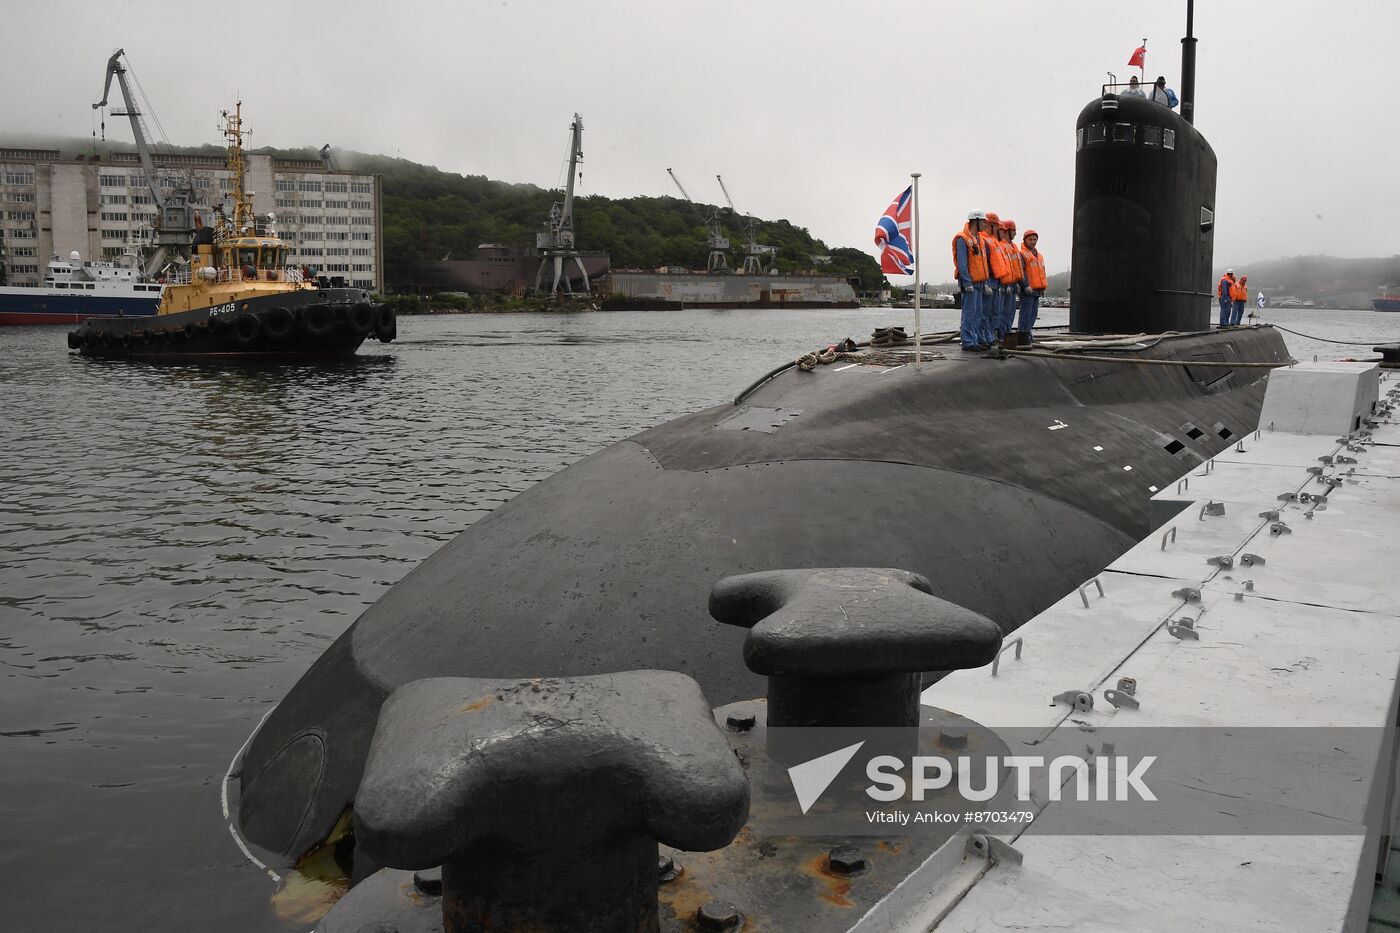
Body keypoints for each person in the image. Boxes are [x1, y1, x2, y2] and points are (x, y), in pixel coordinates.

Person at [952, 211, 992, 350]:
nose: (985, 224)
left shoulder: (979, 239)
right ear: (975, 221)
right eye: (983, 222)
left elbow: (983, 263)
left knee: (978, 313)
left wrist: (985, 282)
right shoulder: (962, 238)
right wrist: (967, 282)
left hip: (980, 283)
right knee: (969, 313)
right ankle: (968, 341)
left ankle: (974, 340)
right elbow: (962, 263)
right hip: (970, 283)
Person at [981, 213, 1009, 345]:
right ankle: (983, 336)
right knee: (985, 312)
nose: (999, 229)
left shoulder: (994, 241)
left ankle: (990, 335)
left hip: (997, 281)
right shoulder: (985, 240)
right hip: (989, 280)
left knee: (994, 312)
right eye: (997, 226)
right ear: (991, 225)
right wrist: (986, 282)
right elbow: (984, 263)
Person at [1018, 230, 1047, 343]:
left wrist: (1042, 287)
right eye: (1030, 239)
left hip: (1037, 290)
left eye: (1034, 239)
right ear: (1025, 240)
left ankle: (1028, 333)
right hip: (1028, 290)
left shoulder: (1039, 256)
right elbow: (1021, 272)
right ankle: (1023, 336)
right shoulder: (1022, 254)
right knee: (1025, 314)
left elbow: (1042, 272)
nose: (1032, 242)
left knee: (1033, 314)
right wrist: (1025, 285)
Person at [997, 220, 1021, 340]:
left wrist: (1016, 283)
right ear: (1008, 231)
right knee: (1003, 311)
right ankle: (1002, 334)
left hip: (1012, 283)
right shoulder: (1001, 245)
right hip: (1005, 284)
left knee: (1011, 311)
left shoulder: (1014, 246)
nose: (1016, 234)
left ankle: (1007, 331)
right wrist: (1004, 284)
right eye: (1014, 231)